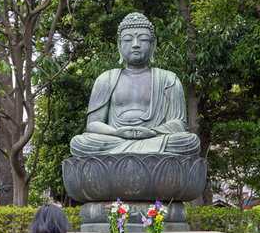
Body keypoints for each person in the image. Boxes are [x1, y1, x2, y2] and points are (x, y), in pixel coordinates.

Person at [70, 12, 200, 157]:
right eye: (128, 40)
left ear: (153, 44)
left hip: (155, 139)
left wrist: (152, 132)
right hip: (115, 139)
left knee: (189, 141)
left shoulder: (168, 79)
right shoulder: (106, 79)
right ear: (119, 45)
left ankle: (129, 157)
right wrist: (115, 132)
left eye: (143, 39)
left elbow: (178, 123)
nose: (136, 44)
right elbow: (93, 124)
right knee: (80, 142)